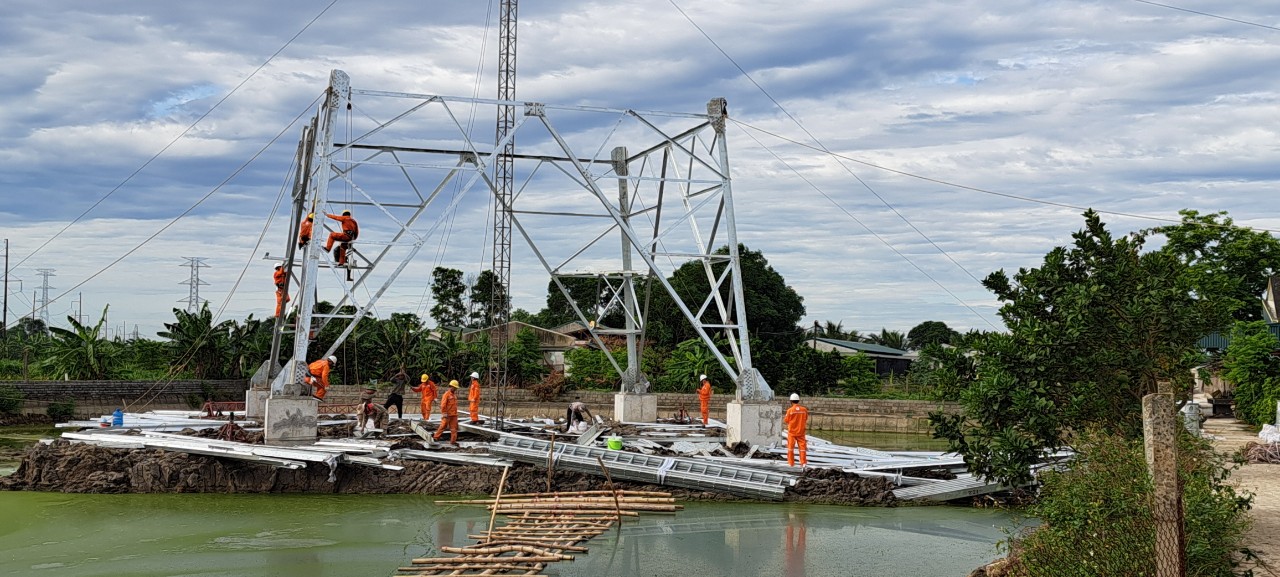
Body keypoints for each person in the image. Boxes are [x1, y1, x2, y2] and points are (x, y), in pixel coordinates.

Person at [783, 393, 809, 467]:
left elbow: (786, 420)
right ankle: (803, 462)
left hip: (792, 432)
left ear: (791, 401)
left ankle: (791, 463)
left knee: (790, 448)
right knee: (802, 448)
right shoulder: (804, 410)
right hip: (801, 432)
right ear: (798, 400)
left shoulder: (790, 410)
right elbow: (806, 418)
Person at [432, 379, 460, 445]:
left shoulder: (454, 395)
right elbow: (443, 404)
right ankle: (435, 437)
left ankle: (453, 441)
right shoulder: (446, 394)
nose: (456, 389)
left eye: (456, 388)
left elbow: (454, 406)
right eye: (455, 387)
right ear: (451, 386)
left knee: (454, 429)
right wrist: (444, 413)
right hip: (447, 414)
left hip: (454, 415)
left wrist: (455, 414)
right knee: (443, 426)